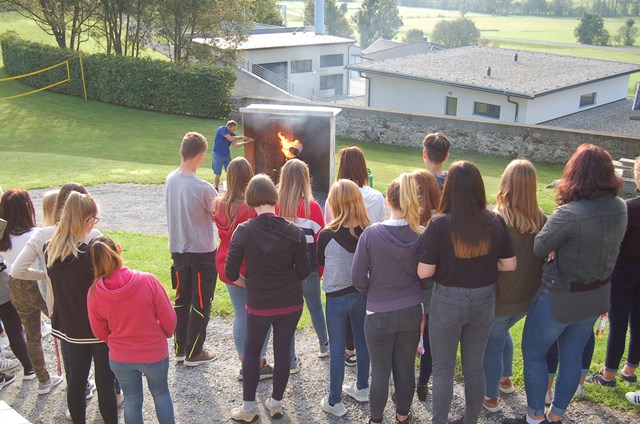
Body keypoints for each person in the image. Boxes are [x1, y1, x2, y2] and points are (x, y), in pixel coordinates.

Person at [519, 144, 627, 424]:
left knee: (533, 351)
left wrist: (560, 240)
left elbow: (540, 245)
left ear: (574, 173)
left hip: (562, 296)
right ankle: (556, 415)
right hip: (597, 295)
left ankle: (534, 416)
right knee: (572, 356)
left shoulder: (570, 213)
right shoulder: (619, 207)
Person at [418, 161, 516, 424]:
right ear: (479, 188)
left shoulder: (439, 224)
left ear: (448, 189)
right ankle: (470, 419)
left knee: (443, 370)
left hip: (447, 300)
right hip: (484, 299)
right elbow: (509, 264)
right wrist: (485, 263)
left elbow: (424, 272)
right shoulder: (494, 221)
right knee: (474, 368)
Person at [226, 174, 310, 422]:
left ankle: (248, 408)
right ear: (275, 198)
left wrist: (248, 284)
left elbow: (230, 273)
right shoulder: (294, 231)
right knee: (283, 351)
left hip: (260, 302)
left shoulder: (243, 231)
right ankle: (276, 403)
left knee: (252, 351)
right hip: (290, 301)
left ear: (251, 200)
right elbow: (305, 272)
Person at [11, 182, 100, 396]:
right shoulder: (92, 232)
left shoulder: (40, 234)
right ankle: (111, 389)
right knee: (100, 349)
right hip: (90, 301)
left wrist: (47, 275)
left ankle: (73, 388)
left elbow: (16, 270)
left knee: (65, 346)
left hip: (55, 301)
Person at [352, 173, 425, 424]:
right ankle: (403, 415)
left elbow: (357, 277)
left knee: (380, 371)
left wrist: (372, 291)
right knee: (405, 368)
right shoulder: (421, 234)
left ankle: (375, 419)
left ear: (387, 201)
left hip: (378, 311)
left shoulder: (371, 235)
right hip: (411, 309)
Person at [45, 192, 118, 424]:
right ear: (87, 221)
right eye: (94, 220)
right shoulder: (91, 254)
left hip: (69, 328)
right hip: (97, 329)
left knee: (75, 384)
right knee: (106, 384)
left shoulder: (50, 249)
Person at [87, 236, 177, 424]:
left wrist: (114, 341)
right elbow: (169, 319)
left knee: (132, 401)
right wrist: (164, 334)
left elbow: (99, 331)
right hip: (154, 352)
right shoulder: (147, 280)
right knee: (161, 393)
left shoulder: (95, 293)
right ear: (118, 249)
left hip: (121, 356)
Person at [481, 160, 546, 413]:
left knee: (492, 344)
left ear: (505, 185)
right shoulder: (542, 219)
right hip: (527, 299)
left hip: (500, 299)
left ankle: (491, 396)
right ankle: (505, 378)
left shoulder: (495, 220)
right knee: (503, 332)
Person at [324, 146, 385, 368]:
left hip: (339, 264)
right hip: (369, 260)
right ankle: (363, 348)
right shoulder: (377, 197)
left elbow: (327, 229)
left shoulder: (332, 198)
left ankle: (348, 350)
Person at [212, 157, 273, 380]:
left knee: (240, 314)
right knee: (262, 315)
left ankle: (245, 363)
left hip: (228, 264)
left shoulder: (218, 204)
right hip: (253, 266)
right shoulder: (252, 208)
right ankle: (259, 361)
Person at [318, 179, 371, 417]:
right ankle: (362, 387)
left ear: (335, 204)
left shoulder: (326, 234)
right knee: (362, 342)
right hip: (361, 294)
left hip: (336, 297)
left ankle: (335, 400)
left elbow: (320, 263)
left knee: (338, 348)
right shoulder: (369, 232)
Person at [166, 132, 218, 367]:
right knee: (201, 301)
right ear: (200, 156)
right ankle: (194, 352)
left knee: (181, 298)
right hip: (201, 253)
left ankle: (180, 348)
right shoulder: (203, 188)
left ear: (181, 152)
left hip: (177, 250)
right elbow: (219, 215)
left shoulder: (170, 179)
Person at [277, 158, 329, 360]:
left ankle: (290, 359)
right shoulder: (313, 208)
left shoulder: (276, 207)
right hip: (309, 269)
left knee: (287, 314)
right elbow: (320, 243)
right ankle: (325, 345)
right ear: (305, 180)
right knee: (316, 307)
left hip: (283, 271)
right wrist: (321, 271)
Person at [1, 189, 53, 386]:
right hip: (36, 284)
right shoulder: (36, 234)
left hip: (14, 284)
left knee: (30, 334)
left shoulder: (2, 232)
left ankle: (41, 377)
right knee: (60, 327)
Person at [410, 169, 441, 402]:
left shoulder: (407, 221)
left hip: (409, 290)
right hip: (431, 290)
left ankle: (407, 381)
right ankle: (422, 381)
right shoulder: (441, 220)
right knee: (429, 340)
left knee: (408, 338)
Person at [324, 146, 385, 223]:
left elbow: (328, 225)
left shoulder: (333, 198)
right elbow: (380, 223)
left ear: (342, 169)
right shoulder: (377, 196)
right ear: (363, 167)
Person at [212, 120, 253, 191]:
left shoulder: (233, 134)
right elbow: (229, 138)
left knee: (230, 172)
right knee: (218, 173)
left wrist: (246, 142)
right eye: (234, 128)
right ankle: (216, 188)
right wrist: (242, 137)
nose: (235, 130)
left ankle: (231, 189)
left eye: (235, 128)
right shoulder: (222, 129)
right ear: (228, 126)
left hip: (227, 155)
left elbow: (235, 145)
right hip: (218, 154)